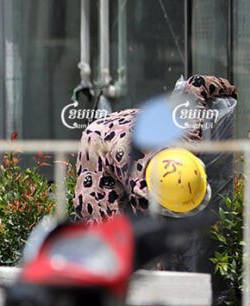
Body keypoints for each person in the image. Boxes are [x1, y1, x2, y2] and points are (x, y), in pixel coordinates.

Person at [74, 74, 236, 220]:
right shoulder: (141, 191)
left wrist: (228, 89)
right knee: (101, 219)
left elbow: (197, 84)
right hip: (97, 141)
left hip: (133, 125)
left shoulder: (187, 138)